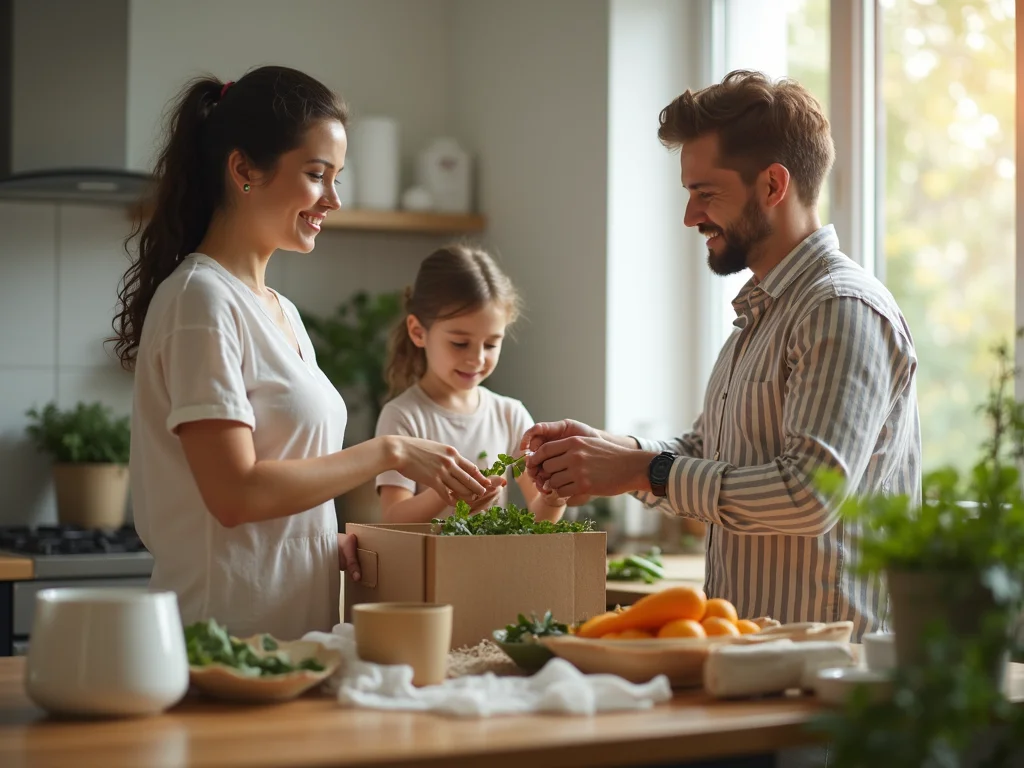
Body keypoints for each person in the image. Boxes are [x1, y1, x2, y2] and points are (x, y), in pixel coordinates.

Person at [523, 70, 922, 641]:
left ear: (772, 186)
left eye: (705, 193)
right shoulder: (762, 313)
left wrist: (643, 470)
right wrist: (616, 455)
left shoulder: (840, 309)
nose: (690, 216)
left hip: (834, 683)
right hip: (758, 662)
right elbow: (709, 450)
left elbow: (809, 495)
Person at [112, 66, 488, 641]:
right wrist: (388, 451)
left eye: (337, 178)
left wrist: (320, 542)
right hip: (220, 645)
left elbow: (275, 489)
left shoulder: (279, 310)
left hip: (291, 646)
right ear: (244, 170)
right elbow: (234, 495)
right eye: (317, 175)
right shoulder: (201, 303)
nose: (332, 199)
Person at [375, 244, 567, 523]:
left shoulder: (511, 416)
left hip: (494, 566)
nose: (476, 359)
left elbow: (539, 522)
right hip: (428, 567)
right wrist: (447, 491)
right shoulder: (403, 417)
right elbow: (393, 519)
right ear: (418, 332)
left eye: (491, 344)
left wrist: (553, 498)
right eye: (460, 343)